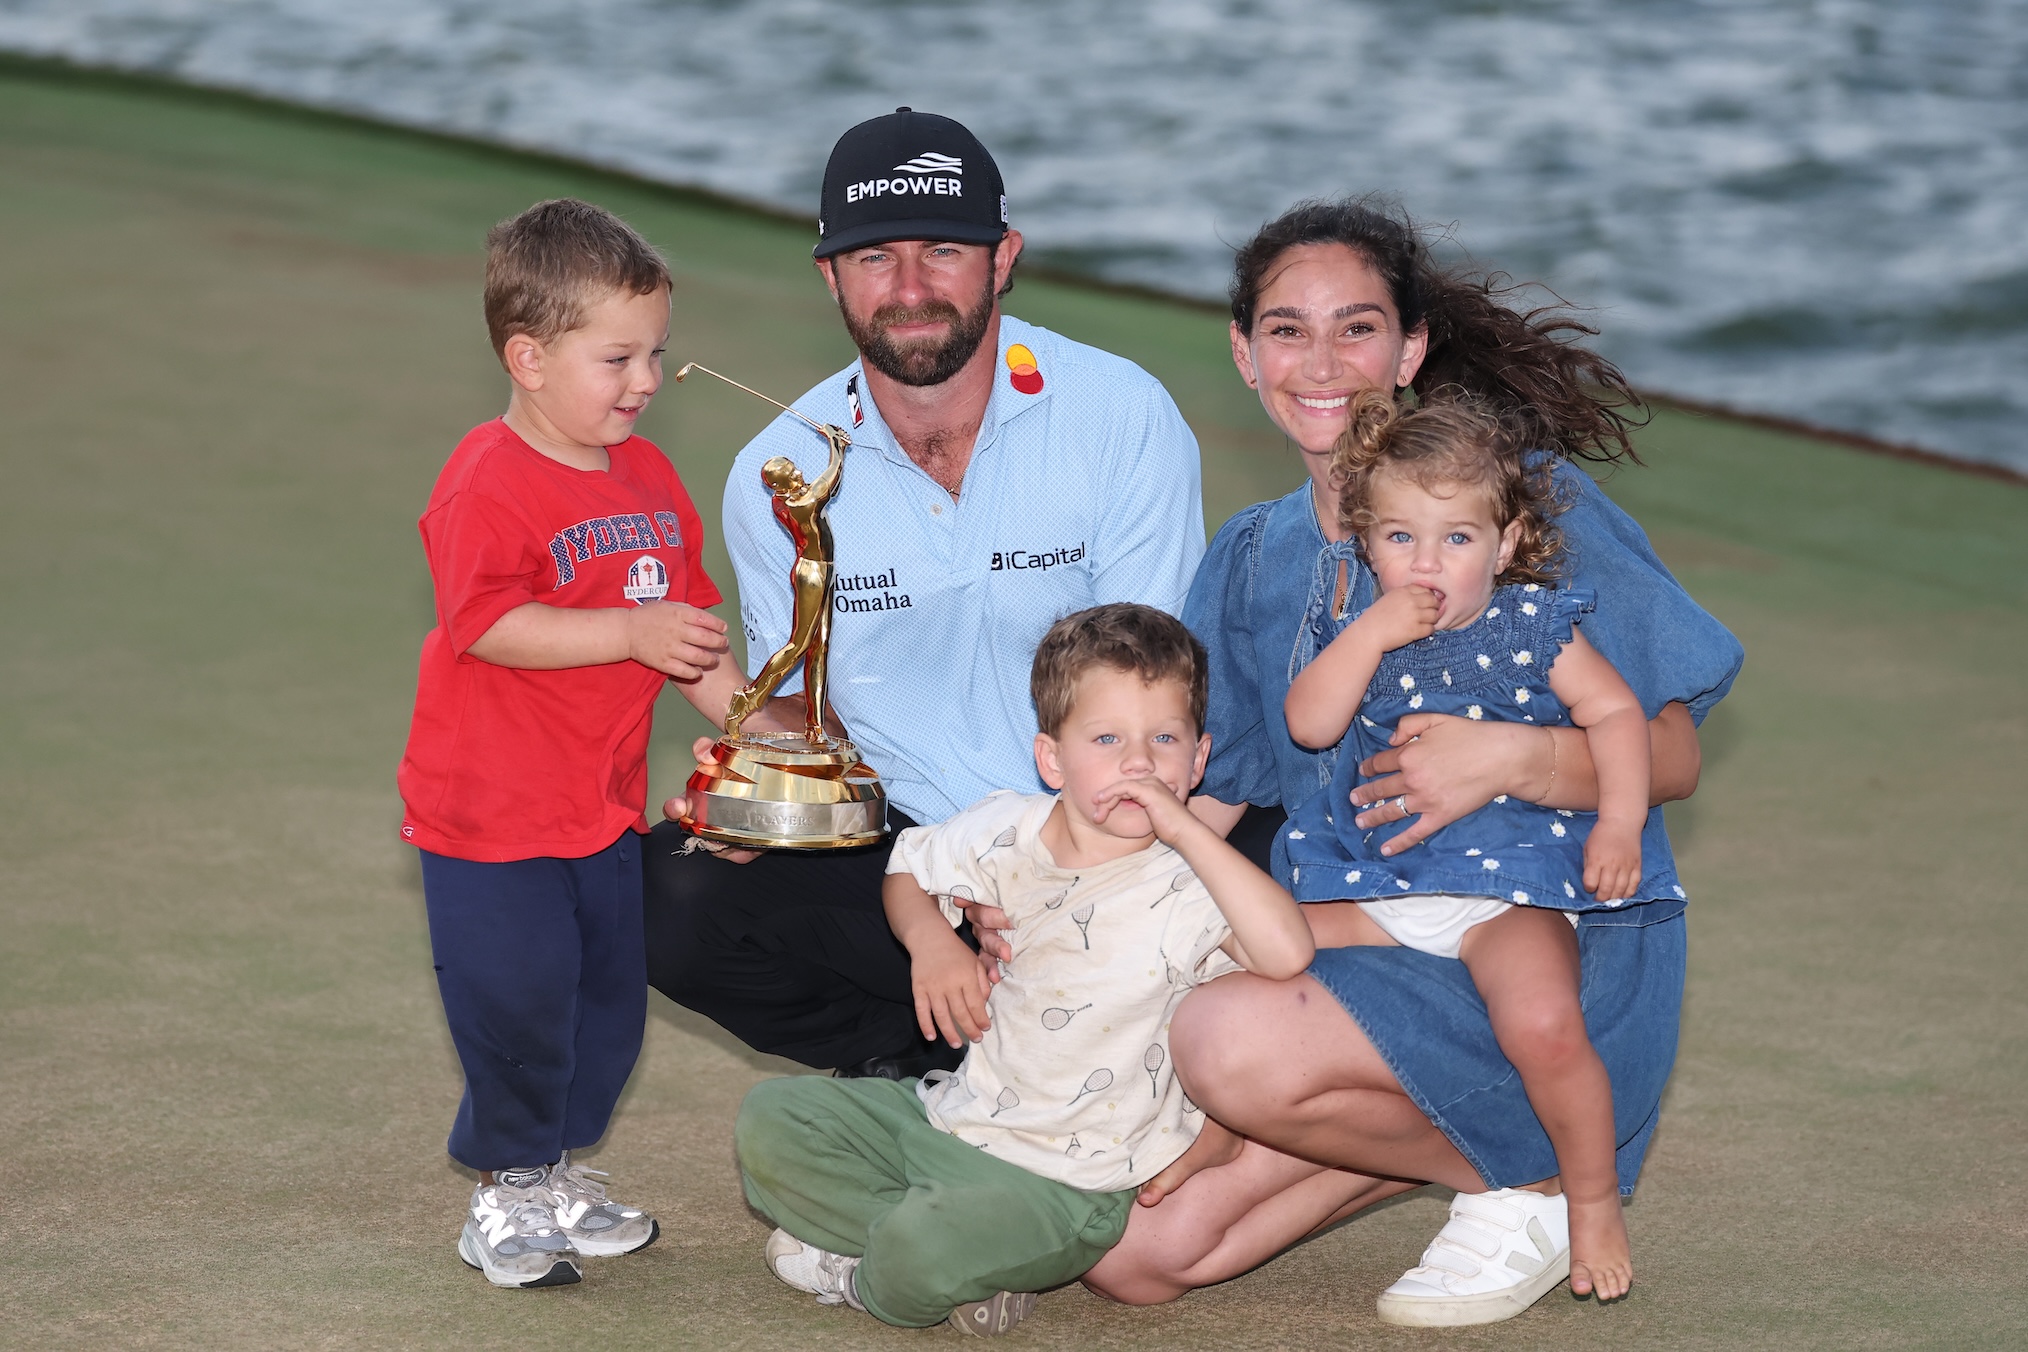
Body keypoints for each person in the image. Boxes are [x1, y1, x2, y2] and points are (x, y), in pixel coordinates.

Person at [1079, 197, 1745, 1327]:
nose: (1324, 362)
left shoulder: (1526, 507)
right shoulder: (1252, 555)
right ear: (1244, 354)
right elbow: (1221, 779)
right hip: (1378, 933)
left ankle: (1544, 1180)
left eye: (1359, 326)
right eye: (1287, 329)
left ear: (1413, 345)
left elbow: (1669, 748)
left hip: (1542, 943)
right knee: (1140, 1254)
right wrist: (1042, 884)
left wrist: (1515, 757)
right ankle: (1493, 1158)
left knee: (1225, 1038)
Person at [642, 109, 1205, 1077]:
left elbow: (1153, 704)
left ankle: (1048, 1039)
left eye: (943, 248)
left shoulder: (1122, 417)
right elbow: (808, 718)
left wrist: (1034, 868)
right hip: (897, 844)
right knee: (663, 896)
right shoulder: (777, 468)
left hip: (1098, 817)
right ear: (829, 276)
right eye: (873, 257)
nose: (908, 288)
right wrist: (756, 785)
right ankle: (920, 1069)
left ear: (1004, 258)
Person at [733, 605, 1314, 1334]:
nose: (1139, 763)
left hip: (1070, 1184)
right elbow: (908, 870)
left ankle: (864, 1271)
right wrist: (933, 943)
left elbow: (1287, 952)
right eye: (1107, 739)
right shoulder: (1007, 824)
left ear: (1197, 761)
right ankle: (965, 1253)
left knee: (920, 1252)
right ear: (1052, 759)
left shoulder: (1194, 882)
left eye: (1164, 739)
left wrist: (1189, 833)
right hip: (952, 1120)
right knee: (774, 1118)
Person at [397, 199, 748, 1289]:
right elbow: (486, 622)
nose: (647, 379)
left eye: (656, 353)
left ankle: (551, 1168)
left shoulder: (648, 482)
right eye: (619, 357)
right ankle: (506, 1188)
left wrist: (760, 723)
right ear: (529, 356)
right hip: (487, 816)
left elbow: (687, 638)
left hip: (597, 810)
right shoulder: (486, 475)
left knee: (605, 1006)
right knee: (518, 999)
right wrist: (625, 631)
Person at [1281, 389, 1663, 1302]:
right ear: (1365, 542)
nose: (1428, 563)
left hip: (1507, 890)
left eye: (1457, 538)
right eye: (1401, 537)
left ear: (1506, 542)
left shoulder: (1531, 626)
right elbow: (1308, 723)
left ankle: (1590, 1198)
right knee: (1246, 952)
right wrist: (1370, 632)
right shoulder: (1356, 632)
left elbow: (1616, 714)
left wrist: (1616, 821)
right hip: (1376, 880)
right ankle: (1195, 1137)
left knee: (1543, 1024)